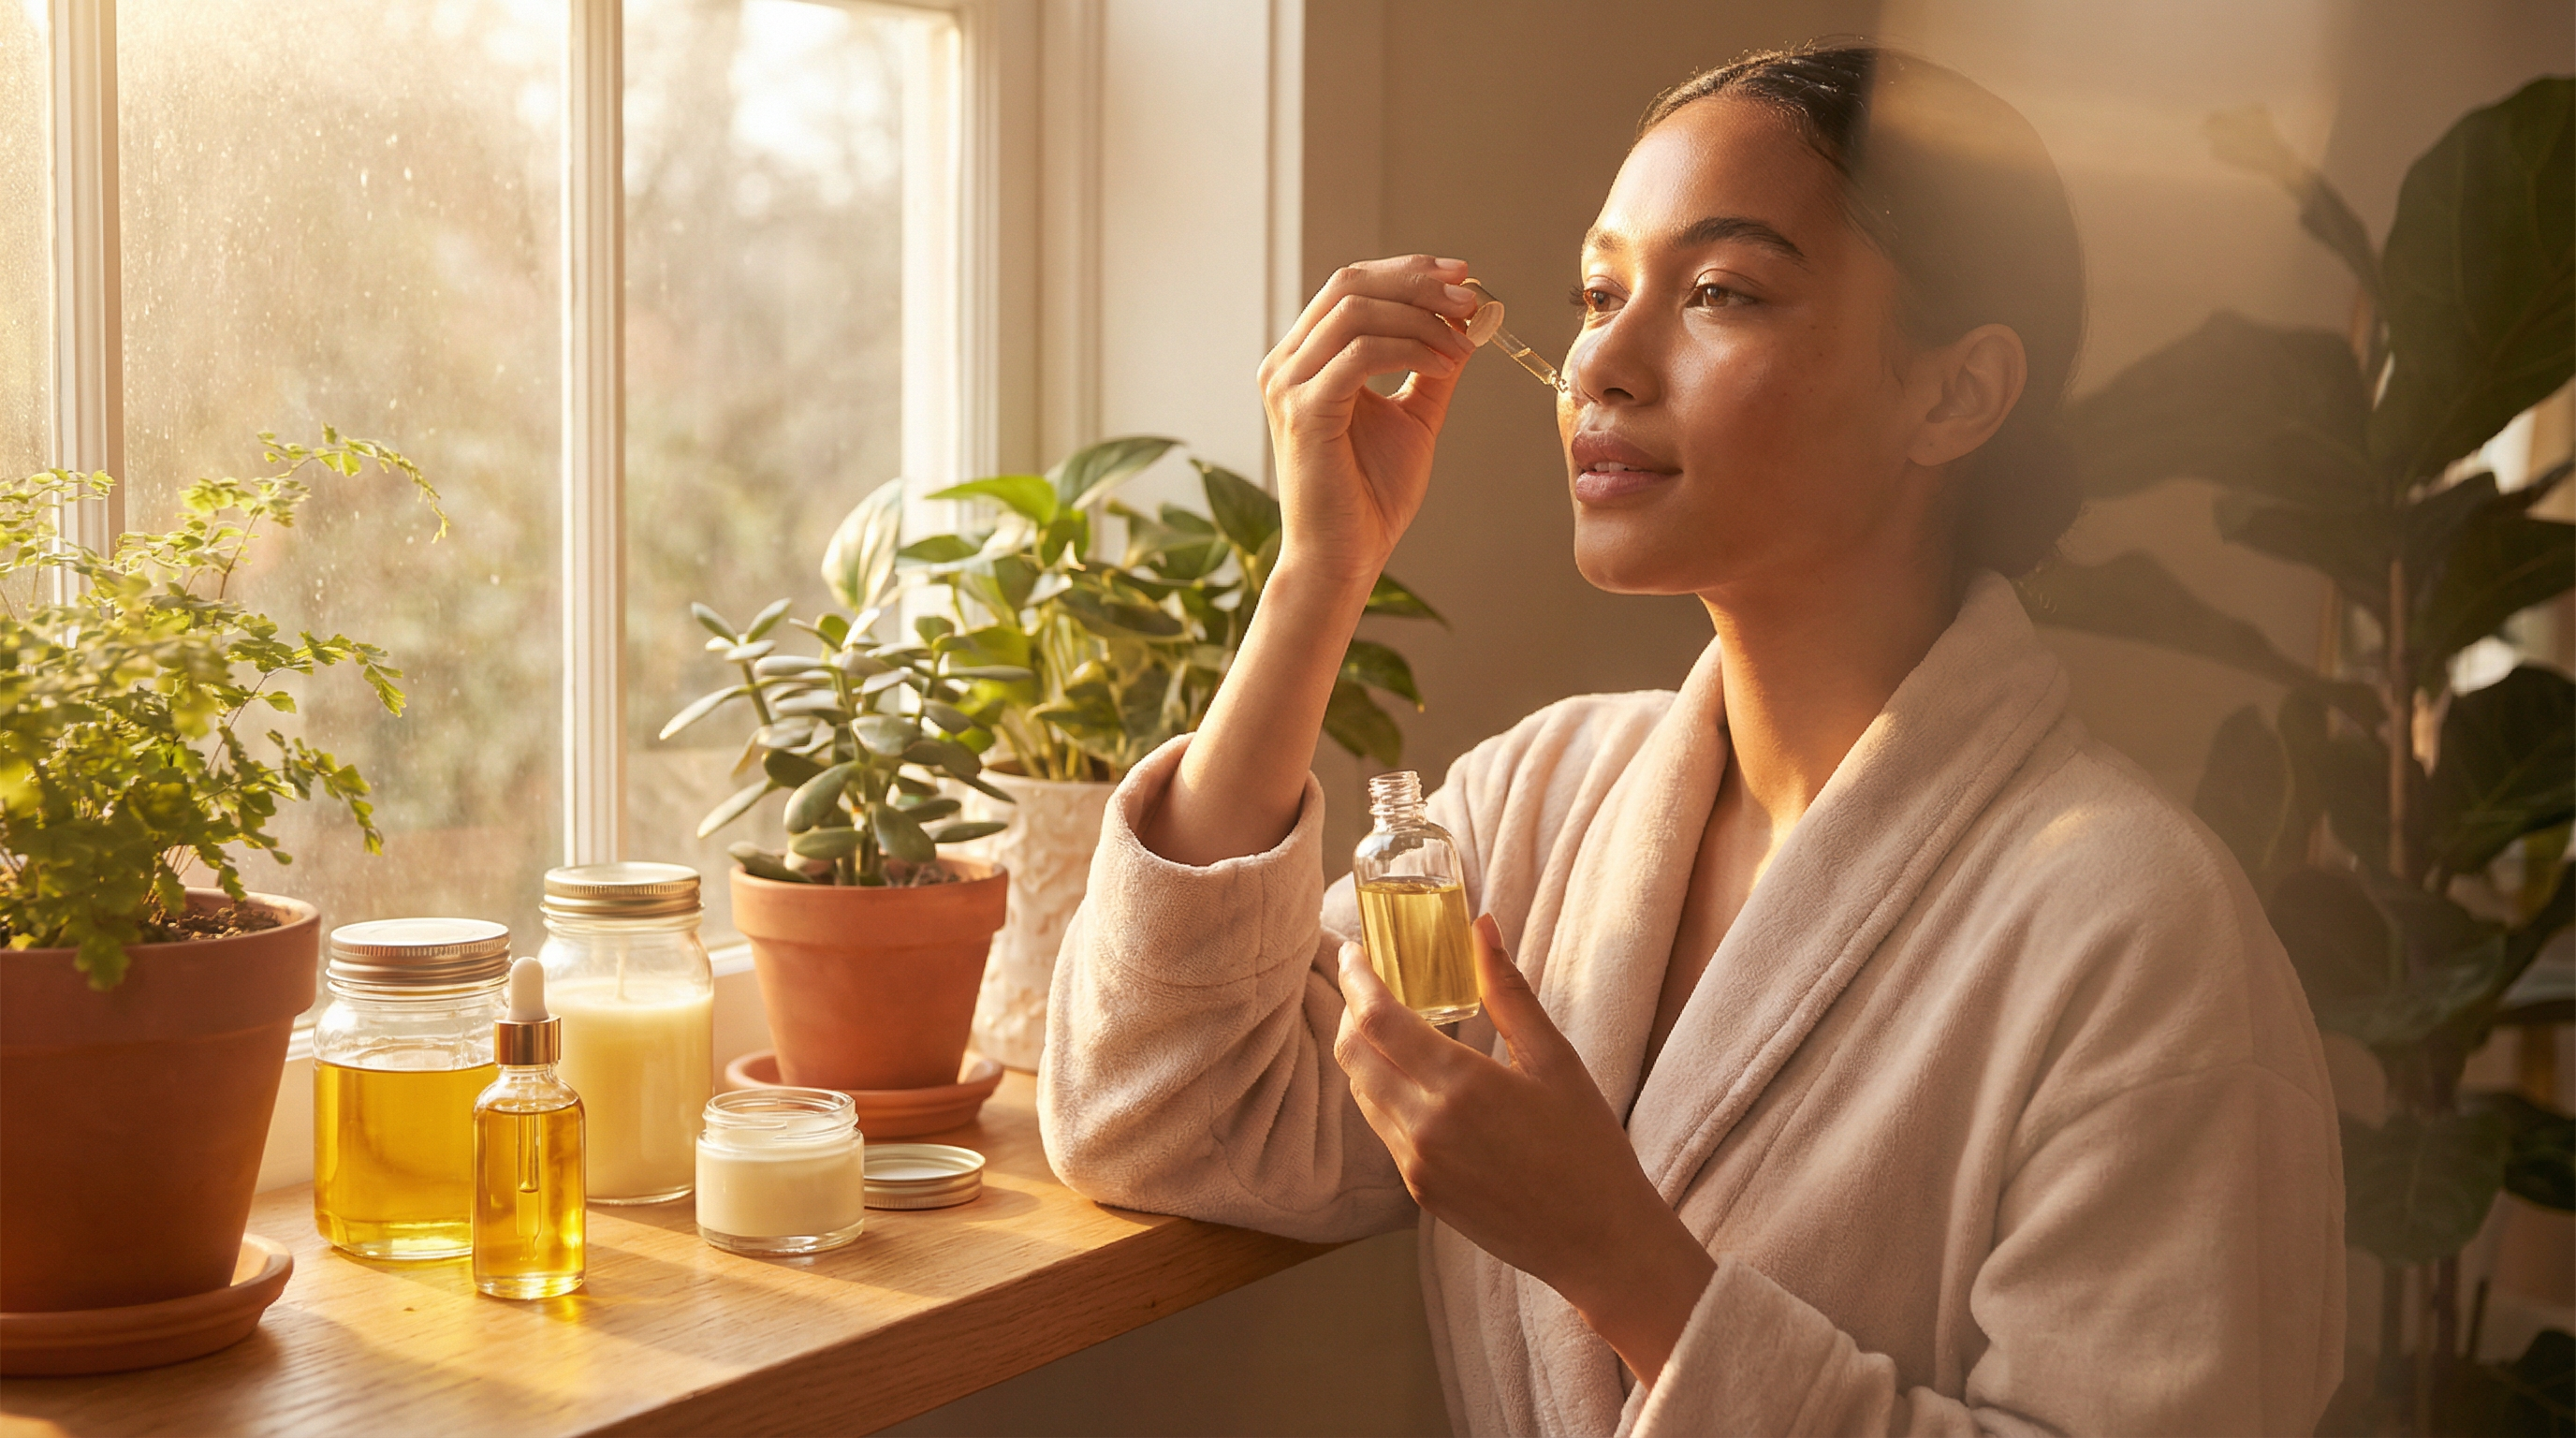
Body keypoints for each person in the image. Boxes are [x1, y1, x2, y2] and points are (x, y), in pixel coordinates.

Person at [1039, 40, 2344, 1437]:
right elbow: (1160, 1115)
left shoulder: (2135, 932)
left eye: (1720, 292)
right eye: (1600, 295)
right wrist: (1319, 571)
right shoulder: (1541, 805)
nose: (1600, 363)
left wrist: (1618, 1259)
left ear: (1955, 392)